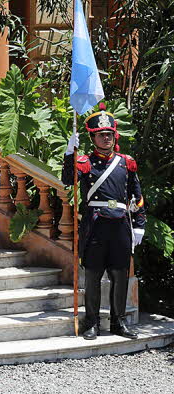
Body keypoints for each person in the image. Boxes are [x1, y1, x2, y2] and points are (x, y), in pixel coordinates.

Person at [62, 103, 145, 340]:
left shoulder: (125, 162)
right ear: (93, 137)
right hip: (95, 226)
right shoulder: (85, 163)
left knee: (120, 276)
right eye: (101, 135)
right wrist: (70, 154)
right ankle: (92, 323)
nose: (106, 138)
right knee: (93, 277)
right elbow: (68, 180)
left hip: (120, 225)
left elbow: (136, 196)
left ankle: (119, 323)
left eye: (109, 134)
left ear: (114, 136)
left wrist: (139, 224)